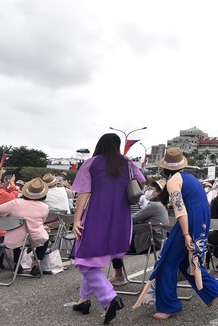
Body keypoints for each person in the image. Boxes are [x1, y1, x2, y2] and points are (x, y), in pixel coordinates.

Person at [71, 133, 146, 324]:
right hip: (122, 217)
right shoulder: (128, 162)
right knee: (93, 260)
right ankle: (83, 300)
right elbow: (142, 181)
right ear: (117, 145)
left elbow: (83, 193)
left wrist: (77, 219)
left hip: (97, 215)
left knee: (85, 260)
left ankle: (109, 297)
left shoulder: (91, 163)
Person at [144, 147, 218, 320]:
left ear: (165, 168)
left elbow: (180, 210)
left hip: (190, 221)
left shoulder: (173, 180)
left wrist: (186, 234)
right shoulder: (191, 178)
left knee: (167, 262)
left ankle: (168, 306)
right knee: (186, 259)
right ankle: (211, 291)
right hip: (202, 218)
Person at [109, 179, 169, 286]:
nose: (150, 191)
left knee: (113, 243)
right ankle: (118, 275)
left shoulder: (155, 206)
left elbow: (132, 219)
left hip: (147, 243)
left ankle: (119, 276)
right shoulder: (161, 206)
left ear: (159, 193)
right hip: (156, 242)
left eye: (153, 189)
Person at [0, 177, 50, 277]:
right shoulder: (44, 207)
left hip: (13, 240)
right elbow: (42, 221)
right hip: (36, 237)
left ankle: (17, 264)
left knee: (17, 232)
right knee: (45, 239)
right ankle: (36, 265)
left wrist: (2, 220)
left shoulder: (16, 203)